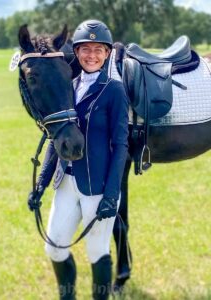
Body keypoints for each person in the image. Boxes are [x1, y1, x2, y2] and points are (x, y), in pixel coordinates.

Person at [29, 20, 129, 300]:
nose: (92, 55)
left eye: (99, 49)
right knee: (54, 247)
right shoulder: (67, 85)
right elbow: (55, 137)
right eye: (86, 49)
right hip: (66, 183)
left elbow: (121, 145)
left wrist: (112, 195)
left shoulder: (114, 90)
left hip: (98, 188)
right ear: (76, 51)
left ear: (107, 54)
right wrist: (41, 184)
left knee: (98, 251)